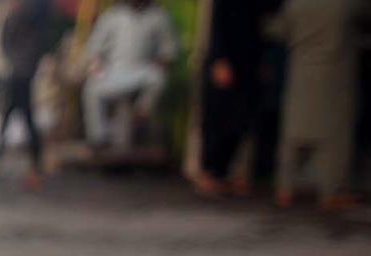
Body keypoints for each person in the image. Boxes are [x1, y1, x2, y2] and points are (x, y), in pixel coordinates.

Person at [269, 0, 368, 210]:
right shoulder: (346, 5)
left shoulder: (295, 4)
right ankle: (331, 190)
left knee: (293, 130)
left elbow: (278, 29)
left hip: (301, 70)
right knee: (334, 133)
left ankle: (285, 187)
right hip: (335, 73)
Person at [196, 0, 276, 196]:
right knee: (218, 117)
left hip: (249, 60)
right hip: (225, 61)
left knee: (244, 118)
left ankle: (226, 173)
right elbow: (217, 26)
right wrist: (219, 59)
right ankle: (210, 172)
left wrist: (263, 60)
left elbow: (263, 25)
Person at [0, 0, 55, 190]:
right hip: (15, 72)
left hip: (20, 73)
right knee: (13, 117)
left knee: (21, 118)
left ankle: (29, 169)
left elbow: (29, 42)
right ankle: (30, 168)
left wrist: (16, 68)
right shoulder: (12, 9)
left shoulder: (31, 10)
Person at [81, 0, 179, 150]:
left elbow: (169, 50)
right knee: (91, 88)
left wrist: (161, 62)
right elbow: (93, 50)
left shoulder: (159, 16)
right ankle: (99, 138)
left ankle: (140, 113)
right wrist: (95, 65)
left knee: (158, 77)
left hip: (143, 71)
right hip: (113, 72)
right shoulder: (111, 16)